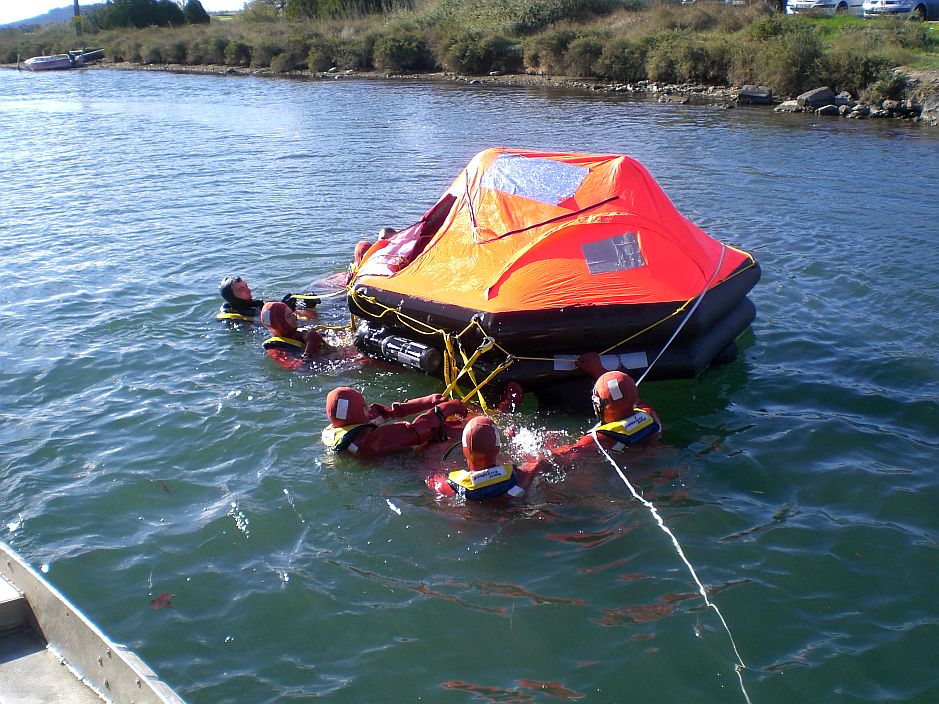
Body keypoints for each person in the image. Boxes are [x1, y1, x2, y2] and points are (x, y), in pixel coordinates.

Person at [322, 386, 468, 459]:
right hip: (392, 466)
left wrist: (426, 402)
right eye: (364, 406)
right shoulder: (366, 441)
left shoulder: (342, 424)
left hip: (373, 456)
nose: (369, 408)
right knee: (439, 439)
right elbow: (415, 431)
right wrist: (443, 411)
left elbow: (385, 413)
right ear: (356, 413)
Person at [426, 416, 539, 501]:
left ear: (464, 449)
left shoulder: (446, 487)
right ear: (498, 447)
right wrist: (514, 438)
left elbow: (429, 475)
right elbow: (539, 460)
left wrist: (434, 445)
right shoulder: (522, 476)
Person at [217, 276, 319, 322]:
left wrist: (306, 303)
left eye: (247, 286)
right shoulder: (235, 319)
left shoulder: (255, 304)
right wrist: (285, 310)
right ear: (232, 297)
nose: (249, 290)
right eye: (242, 290)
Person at [260, 301, 324, 359]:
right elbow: (304, 367)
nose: (295, 317)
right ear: (280, 323)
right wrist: (311, 345)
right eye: (289, 316)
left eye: (292, 313)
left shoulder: (297, 333)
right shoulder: (276, 351)